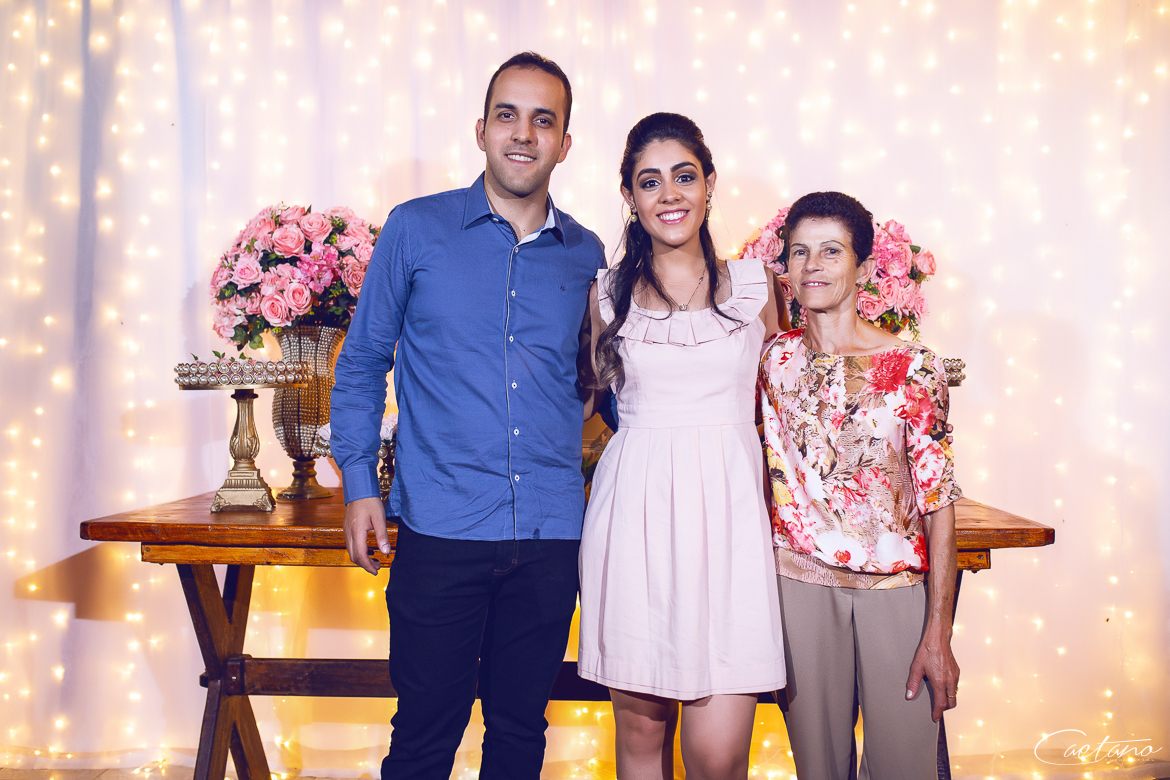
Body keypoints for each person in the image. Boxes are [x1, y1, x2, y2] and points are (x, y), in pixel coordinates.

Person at [330, 52, 606, 780]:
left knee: (519, 735)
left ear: (565, 143)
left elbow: (600, 384)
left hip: (550, 534)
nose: (524, 134)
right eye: (507, 116)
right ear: (481, 130)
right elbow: (362, 361)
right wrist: (359, 485)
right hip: (441, 528)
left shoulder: (587, 255)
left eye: (543, 120)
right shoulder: (415, 229)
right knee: (424, 739)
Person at [577, 112, 788, 780]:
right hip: (634, 518)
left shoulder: (758, 288)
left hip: (731, 522)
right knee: (641, 736)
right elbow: (584, 410)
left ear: (709, 183)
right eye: (649, 181)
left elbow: (785, 414)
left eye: (684, 176)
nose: (669, 194)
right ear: (630, 197)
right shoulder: (605, 295)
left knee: (719, 757)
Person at [758, 191, 962, 780]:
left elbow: (938, 500)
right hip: (799, 587)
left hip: (894, 591)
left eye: (831, 251)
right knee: (818, 768)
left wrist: (939, 632)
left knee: (905, 766)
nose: (812, 266)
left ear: (865, 267)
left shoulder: (914, 366)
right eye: (799, 252)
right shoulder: (773, 362)